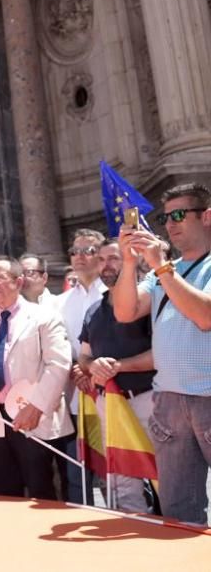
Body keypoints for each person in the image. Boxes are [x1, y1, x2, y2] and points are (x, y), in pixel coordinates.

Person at [112, 183, 211, 526]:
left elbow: (205, 316)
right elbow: (124, 311)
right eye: (166, 217)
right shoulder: (162, 273)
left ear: (207, 216)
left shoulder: (174, 269)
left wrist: (161, 266)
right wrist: (128, 263)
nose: (170, 224)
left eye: (180, 215)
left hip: (208, 396)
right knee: (179, 510)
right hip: (169, 401)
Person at [0, 258, 73, 499]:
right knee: (4, 494)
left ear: (19, 281)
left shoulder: (44, 316)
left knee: (42, 491)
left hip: (33, 417)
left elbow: (59, 364)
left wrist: (37, 406)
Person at [78, 239, 155, 513]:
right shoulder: (92, 311)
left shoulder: (150, 301)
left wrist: (118, 366)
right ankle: (134, 530)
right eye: (101, 259)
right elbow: (83, 356)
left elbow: (162, 355)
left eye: (114, 258)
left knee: (168, 474)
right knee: (122, 479)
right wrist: (92, 365)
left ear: (132, 262)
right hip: (109, 404)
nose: (106, 265)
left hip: (149, 400)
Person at [54, 228, 107, 504]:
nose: (79, 257)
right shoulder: (59, 303)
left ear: (101, 256)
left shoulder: (112, 294)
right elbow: (57, 345)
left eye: (87, 251)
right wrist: (75, 368)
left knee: (118, 472)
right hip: (74, 396)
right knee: (77, 472)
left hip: (111, 394)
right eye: (74, 251)